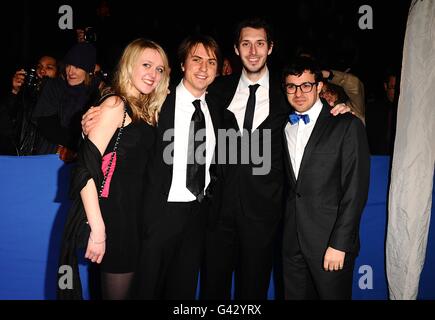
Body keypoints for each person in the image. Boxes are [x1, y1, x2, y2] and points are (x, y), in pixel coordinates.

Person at [202, 17, 352, 300]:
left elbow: (318, 107)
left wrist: (342, 109)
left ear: (270, 48)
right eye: (246, 43)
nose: (253, 51)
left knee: (253, 294)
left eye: (260, 43)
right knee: (213, 291)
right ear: (236, 49)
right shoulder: (218, 90)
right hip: (218, 214)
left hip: (264, 218)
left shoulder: (288, 95)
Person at [82, 34, 222, 300]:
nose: (204, 68)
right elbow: (107, 142)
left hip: (197, 217)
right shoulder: (157, 103)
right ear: (182, 65)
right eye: (196, 59)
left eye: (212, 62)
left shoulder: (218, 107)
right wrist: (86, 125)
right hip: (153, 217)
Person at [58, 38, 170, 300]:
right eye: (146, 64)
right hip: (115, 220)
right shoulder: (115, 105)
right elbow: (85, 171)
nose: (153, 74)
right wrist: (98, 229)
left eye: (160, 69)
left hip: (138, 220)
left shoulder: (147, 110)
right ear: (129, 65)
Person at [281, 56, 370, 299]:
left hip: (330, 243)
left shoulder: (347, 125)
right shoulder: (284, 127)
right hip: (292, 242)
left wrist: (340, 243)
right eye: (292, 86)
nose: (299, 93)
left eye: (306, 85)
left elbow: (355, 190)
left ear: (320, 87)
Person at [32, 43, 101, 156]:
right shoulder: (54, 86)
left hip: (82, 158)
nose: (70, 71)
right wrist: (75, 145)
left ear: (88, 71)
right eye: (69, 65)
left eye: (77, 67)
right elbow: (46, 124)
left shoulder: (96, 93)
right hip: (49, 153)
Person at [0, 55, 58, 155]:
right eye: (39, 67)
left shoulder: (60, 100)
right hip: (18, 158)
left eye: (49, 67)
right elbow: (5, 124)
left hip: (44, 160)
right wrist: (15, 91)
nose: (42, 71)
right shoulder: (25, 96)